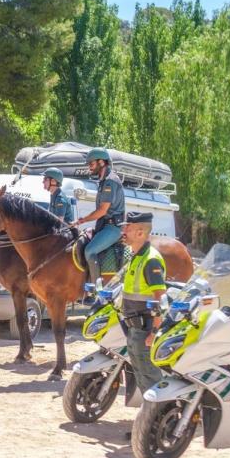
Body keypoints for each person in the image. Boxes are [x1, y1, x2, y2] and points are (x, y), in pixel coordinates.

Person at [117, 212, 166, 395]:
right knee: (142, 379)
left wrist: (154, 332)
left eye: (127, 227)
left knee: (150, 379)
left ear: (140, 233)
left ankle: (158, 411)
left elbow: (160, 297)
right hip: (134, 329)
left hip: (145, 331)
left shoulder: (150, 259)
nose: (123, 231)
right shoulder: (135, 256)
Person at [76, 148, 126, 285]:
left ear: (102, 162)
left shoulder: (110, 181)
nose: (89, 167)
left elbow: (103, 210)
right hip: (104, 225)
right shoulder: (103, 181)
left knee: (90, 251)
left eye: (91, 164)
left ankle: (96, 290)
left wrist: (83, 220)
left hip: (113, 227)